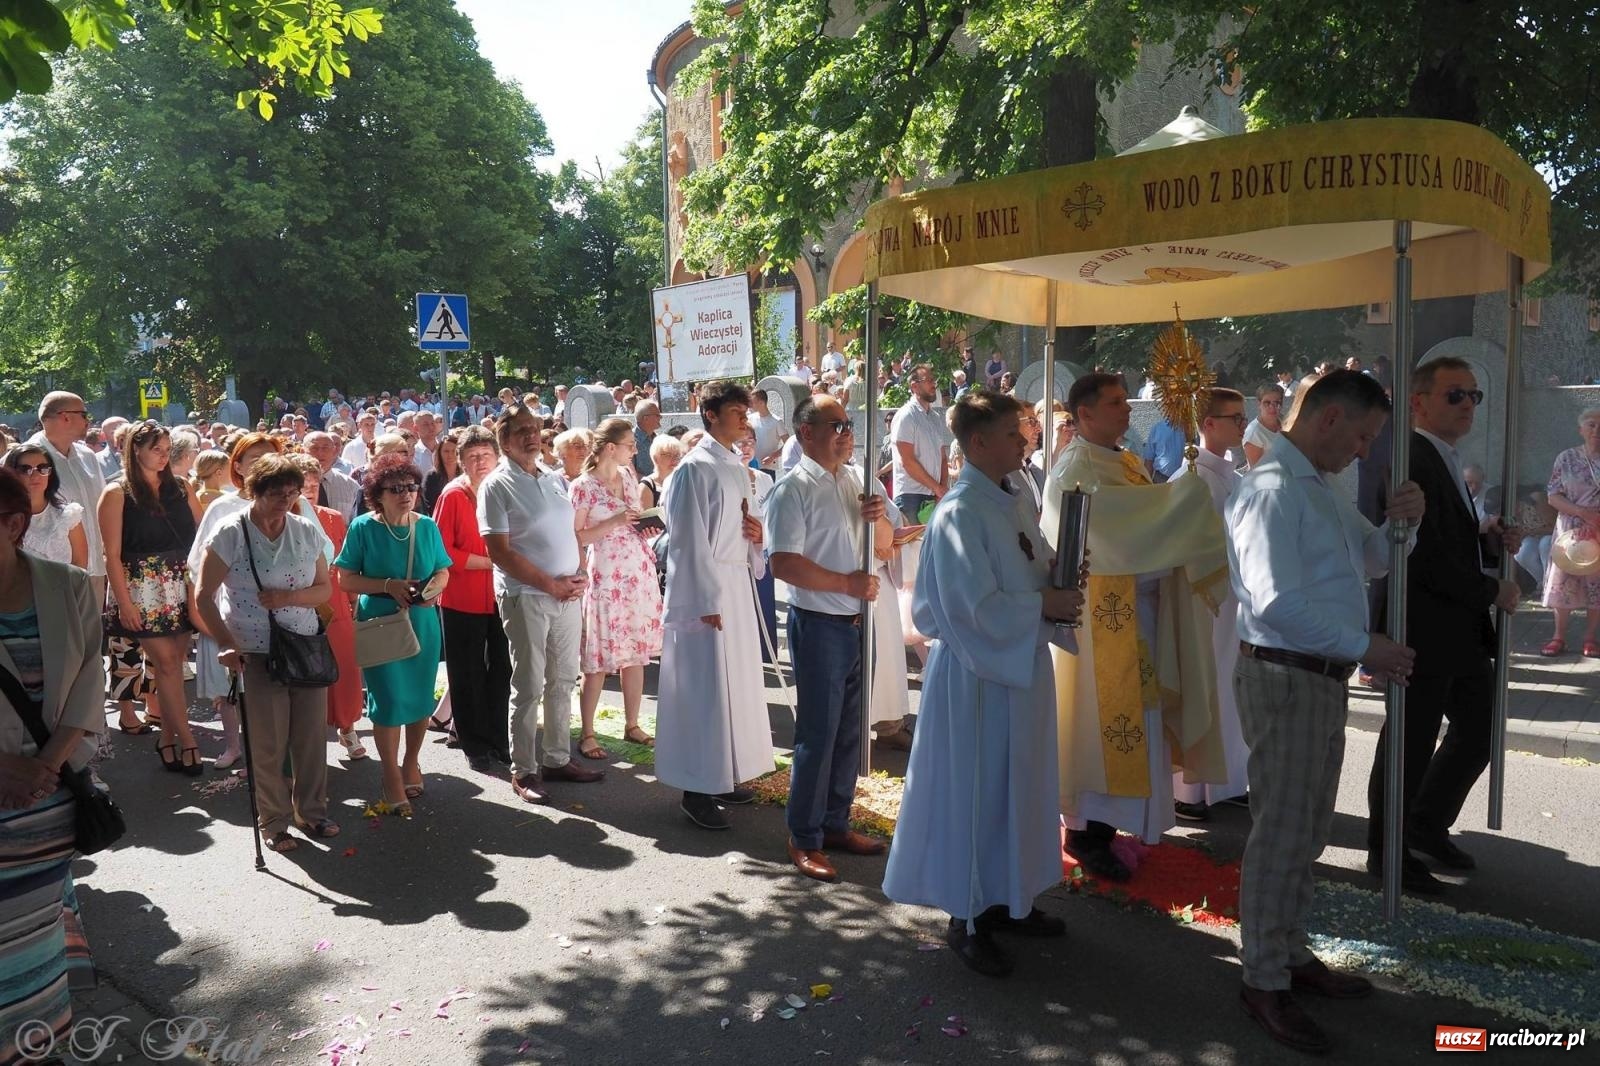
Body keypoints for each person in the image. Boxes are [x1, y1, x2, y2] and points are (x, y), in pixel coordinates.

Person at [1227, 370, 1424, 1055]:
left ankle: (1288, 950)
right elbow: (1275, 601)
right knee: (1281, 831)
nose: (1365, 451)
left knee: (1304, 828)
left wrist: (1404, 525)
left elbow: (1369, 559)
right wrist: (1363, 644)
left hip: (1315, 677)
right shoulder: (1273, 490)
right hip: (1286, 675)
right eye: (1363, 436)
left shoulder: (1315, 486)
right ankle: (1262, 978)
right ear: (1330, 418)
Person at [883, 391, 1085, 977]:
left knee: (1020, 788)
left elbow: (1034, 558)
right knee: (977, 795)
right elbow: (970, 609)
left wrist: (1060, 573)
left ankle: (1010, 899)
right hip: (976, 676)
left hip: (1017, 668)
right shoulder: (959, 512)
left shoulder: (1012, 495)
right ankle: (968, 918)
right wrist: (1044, 600)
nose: (1025, 442)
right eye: (1013, 434)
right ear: (977, 443)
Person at [1043, 373, 1230, 880]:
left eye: (1126, 401)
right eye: (1114, 403)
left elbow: (1144, 524)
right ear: (1084, 415)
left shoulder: (1122, 460)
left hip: (1134, 617)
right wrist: (1181, 503)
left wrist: (1175, 506)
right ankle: (1086, 835)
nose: (1127, 410)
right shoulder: (1075, 469)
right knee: (1097, 732)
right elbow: (1114, 537)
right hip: (1101, 624)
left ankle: (1111, 828)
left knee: (1134, 728)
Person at [1363, 358, 1519, 893]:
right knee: (1410, 738)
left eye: (1474, 395)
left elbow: (1450, 535)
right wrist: (1491, 589)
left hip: (1458, 627)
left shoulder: (1442, 454)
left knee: (1478, 730)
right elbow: (1421, 555)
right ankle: (1386, 850)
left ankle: (1425, 825)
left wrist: (1487, 538)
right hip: (1422, 624)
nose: (1468, 405)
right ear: (1419, 401)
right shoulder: (1411, 455)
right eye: (1456, 395)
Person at [0, 467, 106, 1057]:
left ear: (14, 525)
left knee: (36, 959)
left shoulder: (65, 584)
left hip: (46, 812)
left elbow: (91, 677)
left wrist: (47, 763)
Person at [767, 396, 893, 881]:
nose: (845, 431)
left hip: (860, 621)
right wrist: (845, 584)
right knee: (817, 735)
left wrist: (879, 515)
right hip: (820, 622)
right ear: (805, 433)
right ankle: (804, 836)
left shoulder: (857, 480)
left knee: (850, 731)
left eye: (848, 423)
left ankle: (836, 822)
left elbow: (883, 544)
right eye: (834, 424)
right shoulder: (792, 490)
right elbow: (784, 563)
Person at [193, 454, 339, 852]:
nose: (286, 500)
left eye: (292, 493)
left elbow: (325, 589)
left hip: (304, 644)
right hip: (255, 651)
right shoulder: (230, 531)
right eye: (277, 493)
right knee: (268, 741)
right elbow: (204, 596)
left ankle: (312, 812)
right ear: (254, 491)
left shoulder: (306, 530)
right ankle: (273, 822)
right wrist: (224, 642)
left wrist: (288, 597)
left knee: (310, 738)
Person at [656, 381, 774, 830]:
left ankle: (723, 772)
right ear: (711, 415)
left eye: (746, 411)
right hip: (704, 592)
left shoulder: (735, 466)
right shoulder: (694, 468)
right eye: (736, 411)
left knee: (735, 684)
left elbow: (744, 525)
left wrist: (757, 536)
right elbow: (686, 541)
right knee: (705, 689)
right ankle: (695, 787)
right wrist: (702, 597)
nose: (745, 419)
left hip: (734, 581)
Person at [479, 402, 603, 807]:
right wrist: (550, 583)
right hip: (528, 595)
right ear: (505, 441)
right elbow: (500, 552)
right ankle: (524, 769)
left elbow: (569, 533)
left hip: (567, 594)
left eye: (535, 428)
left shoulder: (552, 477)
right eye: (521, 431)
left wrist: (578, 573)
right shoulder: (496, 485)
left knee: (564, 678)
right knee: (529, 684)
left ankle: (556, 758)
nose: (532, 435)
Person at [333, 453, 452, 815]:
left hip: (422, 623)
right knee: (386, 703)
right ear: (377, 494)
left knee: (418, 699)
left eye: (411, 487)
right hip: (380, 625)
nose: (406, 494)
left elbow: (444, 572)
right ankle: (390, 774)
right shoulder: (363, 528)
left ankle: (411, 762)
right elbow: (345, 579)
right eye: (395, 488)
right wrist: (387, 585)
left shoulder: (427, 527)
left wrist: (431, 593)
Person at [98, 421, 204, 774]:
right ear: (135, 450)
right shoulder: (116, 493)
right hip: (141, 587)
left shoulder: (183, 488)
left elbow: (202, 538)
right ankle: (187, 739)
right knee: (168, 663)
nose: (162, 456)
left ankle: (167, 739)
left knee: (171, 664)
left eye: (166, 448)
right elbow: (110, 554)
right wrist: (124, 603)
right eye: (155, 449)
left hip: (181, 583)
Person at [1170, 389, 1251, 820]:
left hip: (1233, 600)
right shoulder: (1191, 476)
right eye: (1233, 417)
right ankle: (1188, 788)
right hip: (1203, 600)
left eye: (1243, 417)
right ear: (1206, 424)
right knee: (1203, 688)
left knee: (1231, 688)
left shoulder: (1234, 475)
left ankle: (1228, 779)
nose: (1242, 424)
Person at [571, 418, 663, 759]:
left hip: (636, 570)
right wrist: (612, 522)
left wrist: (646, 528)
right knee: (597, 658)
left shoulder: (626, 476)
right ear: (611, 447)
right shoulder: (583, 485)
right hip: (606, 574)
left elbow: (634, 519)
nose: (634, 450)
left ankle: (633, 722)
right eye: (630, 445)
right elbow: (575, 536)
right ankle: (588, 731)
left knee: (635, 652)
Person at [432, 427, 510, 773]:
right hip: (461, 596)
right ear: (461, 461)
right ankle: (471, 740)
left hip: (502, 594)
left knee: (503, 668)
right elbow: (442, 549)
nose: (480, 462)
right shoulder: (453, 495)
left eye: (486, 455)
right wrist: (488, 562)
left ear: (497, 457)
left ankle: (499, 737)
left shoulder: (505, 490)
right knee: (466, 671)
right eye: (472, 457)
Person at [290, 455, 366, 761]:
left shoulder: (334, 517)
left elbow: (346, 563)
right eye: (302, 484)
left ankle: (347, 727)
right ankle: (309, 737)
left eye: (313, 483)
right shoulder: (282, 519)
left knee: (344, 665)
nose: (309, 489)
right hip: (299, 600)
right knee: (305, 668)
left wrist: (351, 599)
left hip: (334, 598)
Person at [29, 393, 106, 601]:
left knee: (91, 633)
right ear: (65, 417)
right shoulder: (25, 460)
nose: (88, 421)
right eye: (84, 414)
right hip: (50, 574)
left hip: (95, 568)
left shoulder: (88, 456)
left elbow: (101, 507)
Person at [1540, 407, 1600, 656]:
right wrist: (1582, 513)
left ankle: (1590, 638)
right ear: (1581, 429)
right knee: (1563, 582)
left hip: (1599, 528)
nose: (1597, 430)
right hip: (1570, 530)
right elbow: (1553, 496)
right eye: (1591, 424)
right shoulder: (1566, 458)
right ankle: (1558, 636)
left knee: (1597, 584)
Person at [4, 444, 88, 570]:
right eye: (25, 469)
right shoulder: (4, 518)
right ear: (11, 473)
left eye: (42, 468)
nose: (35, 475)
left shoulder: (68, 515)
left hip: (62, 588)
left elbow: (80, 565)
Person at [889, 364, 950, 523]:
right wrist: (937, 488)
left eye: (933, 379)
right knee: (913, 548)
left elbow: (942, 457)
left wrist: (942, 488)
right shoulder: (906, 416)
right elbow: (907, 461)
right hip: (911, 497)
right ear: (914, 386)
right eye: (928, 380)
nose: (933, 384)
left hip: (934, 495)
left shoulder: (935, 417)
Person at [748, 389, 787, 479]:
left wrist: (772, 457)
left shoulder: (776, 421)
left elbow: (787, 443)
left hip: (768, 468)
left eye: (753, 402)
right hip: (751, 466)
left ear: (762, 403)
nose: (750, 405)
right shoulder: (749, 419)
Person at [1243, 385, 1286, 467]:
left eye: (1277, 403)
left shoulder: (1286, 422)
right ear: (1259, 404)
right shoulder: (1253, 433)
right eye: (1267, 403)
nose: (1272, 407)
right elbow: (1256, 470)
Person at [639, 435, 685, 511]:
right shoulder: (647, 485)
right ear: (655, 458)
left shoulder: (680, 482)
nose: (674, 459)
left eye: (677, 455)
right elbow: (646, 520)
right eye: (668, 455)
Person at [421, 430, 460, 517]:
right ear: (440, 453)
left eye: (454, 451)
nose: (450, 455)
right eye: (446, 451)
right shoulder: (432, 476)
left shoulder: (465, 475)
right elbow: (428, 503)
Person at [1140, 414, 1188, 483]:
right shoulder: (1158, 428)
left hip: (1184, 479)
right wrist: (1146, 483)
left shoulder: (1191, 430)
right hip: (1161, 478)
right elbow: (1149, 460)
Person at [633, 401, 662, 480]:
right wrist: (651, 483)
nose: (661, 417)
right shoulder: (630, 441)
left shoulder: (658, 439)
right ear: (646, 418)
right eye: (657, 415)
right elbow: (629, 473)